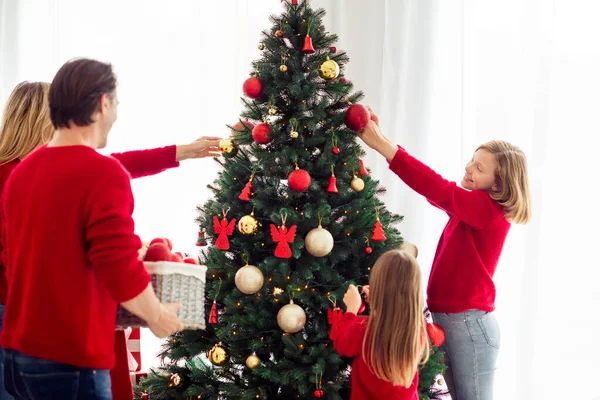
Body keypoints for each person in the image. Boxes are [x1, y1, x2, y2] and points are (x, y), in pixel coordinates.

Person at [0, 58, 210, 399]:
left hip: (19, 354)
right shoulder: (102, 173)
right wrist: (157, 316)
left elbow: (13, 260)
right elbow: (119, 267)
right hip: (69, 358)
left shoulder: (24, 173)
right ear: (103, 104)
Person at [357, 107, 532, 400]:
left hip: (469, 325)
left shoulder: (487, 210)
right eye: (471, 161)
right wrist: (382, 138)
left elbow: (438, 188)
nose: (468, 168)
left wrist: (382, 146)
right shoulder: (474, 208)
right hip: (453, 320)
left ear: (499, 183)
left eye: (479, 168)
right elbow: (433, 191)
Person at [333, 250, 429, 399]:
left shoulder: (363, 328)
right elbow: (391, 320)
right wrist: (377, 303)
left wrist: (351, 311)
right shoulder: (416, 329)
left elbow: (342, 343)